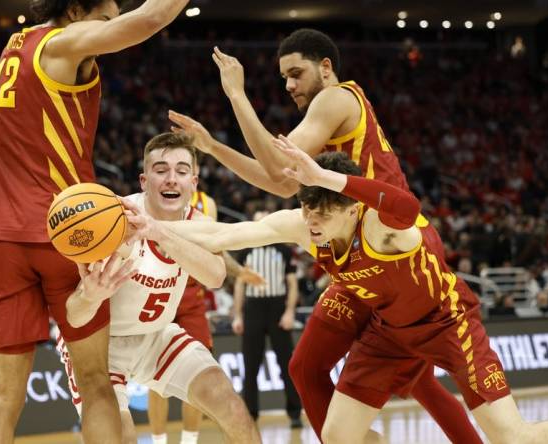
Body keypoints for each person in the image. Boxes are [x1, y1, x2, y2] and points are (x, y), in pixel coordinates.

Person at [168, 28, 481, 443]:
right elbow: (281, 182)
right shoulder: (323, 125)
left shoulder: (335, 98)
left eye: (296, 73)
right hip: (356, 250)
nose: (289, 85)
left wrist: (237, 96)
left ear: (326, 67)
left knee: (414, 378)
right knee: (316, 368)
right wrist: (212, 148)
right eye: (283, 78)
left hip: (396, 248)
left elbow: (280, 172)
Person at [163, 139, 548, 444]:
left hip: (448, 323)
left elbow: (408, 209)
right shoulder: (306, 225)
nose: (312, 220)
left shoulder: (381, 225)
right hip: (389, 332)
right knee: (339, 437)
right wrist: (151, 227)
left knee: (513, 437)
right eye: (308, 208)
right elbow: (223, 232)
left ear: (351, 207)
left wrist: (326, 177)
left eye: (323, 211)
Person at [0, 1, 193, 442]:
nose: (111, 30)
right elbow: (149, 19)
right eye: (106, 18)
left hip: (4, 240)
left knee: (2, 397)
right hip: (69, 233)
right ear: (75, 10)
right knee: (96, 382)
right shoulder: (63, 44)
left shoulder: (16, 45)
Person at [63, 133, 260, 443]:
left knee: (232, 407)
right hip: (102, 344)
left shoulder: (197, 222)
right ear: (144, 180)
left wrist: (161, 233)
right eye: (161, 170)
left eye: (181, 171)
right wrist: (90, 296)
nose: (172, 180)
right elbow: (73, 316)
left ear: (194, 182)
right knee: (120, 437)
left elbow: (216, 276)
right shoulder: (114, 223)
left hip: (157, 336)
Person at [147, 186, 265, 444]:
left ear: (195, 176)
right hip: (155, 289)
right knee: (154, 383)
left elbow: (217, 251)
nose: (174, 177)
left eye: (184, 169)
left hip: (190, 296)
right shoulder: (148, 201)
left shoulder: (206, 204)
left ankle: (189, 441)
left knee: (198, 375)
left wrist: (239, 273)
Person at [232, 219, 302, 426]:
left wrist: (289, 312)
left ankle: (295, 413)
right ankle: (250, 416)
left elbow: (292, 283)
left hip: (277, 308)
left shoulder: (283, 250)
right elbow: (239, 285)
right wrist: (238, 315)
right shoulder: (246, 251)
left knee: (287, 364)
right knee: (250, 365)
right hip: (253, 308)